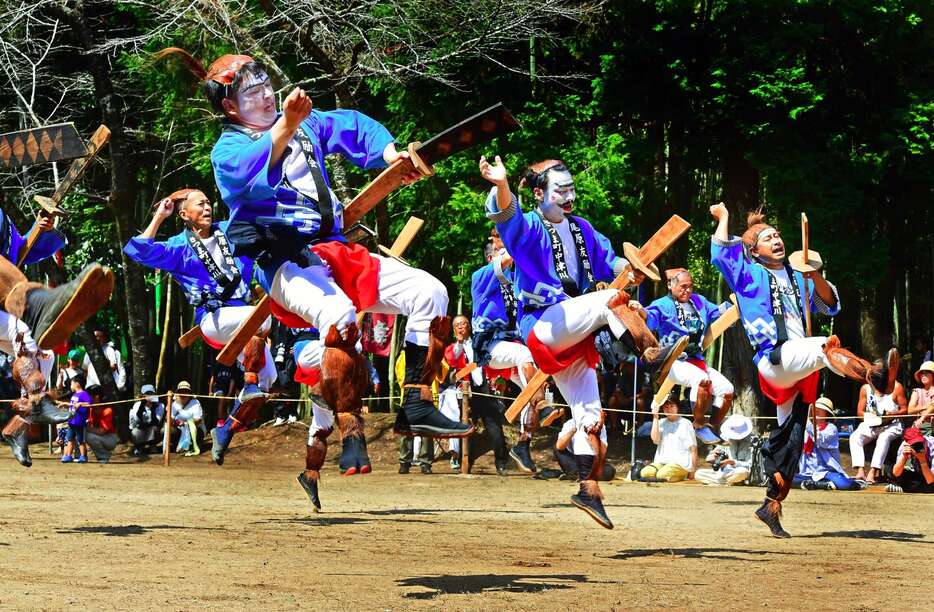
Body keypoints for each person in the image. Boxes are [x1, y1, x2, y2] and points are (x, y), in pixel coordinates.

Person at [157, 49, 471, 510]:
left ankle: (417, 402)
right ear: (230, 107)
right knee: (339, 315)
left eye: (267, 85)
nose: (265, 95)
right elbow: (248, 175)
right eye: (252, 92)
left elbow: (350, 126)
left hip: (337, 250)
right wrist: (284, 124)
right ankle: (351, 428)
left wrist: (392, 157)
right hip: (285, 262)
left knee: (432, 292)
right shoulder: (228, 149)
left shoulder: (306, 123)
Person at [480, 154, 686, 529]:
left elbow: (612, 267)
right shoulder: (527, 227)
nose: (569, 195)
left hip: (574, 332)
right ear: (540, 193)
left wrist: (630, 275)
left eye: (572, 189)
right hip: (542, 323)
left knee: (590, 416)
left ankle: (587, 488)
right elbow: (505, 216)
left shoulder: (584, 229)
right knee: (611, 302)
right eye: (561, 190)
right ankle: (650, 356)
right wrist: (502, 184)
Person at [709, 203, 895, 538]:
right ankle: (874, 375)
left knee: (791, 442)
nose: (776, 239)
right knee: (825, 346)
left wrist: (814, 274)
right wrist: (724, 219)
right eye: (767, 237)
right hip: (775, 359)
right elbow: (722, 253)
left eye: (777, 234)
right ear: (753, 251)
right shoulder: (748, 274)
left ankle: (771, 504)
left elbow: (830, 304)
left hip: (799, 367)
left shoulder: (798, 277)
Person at [123, 188, 273, 463]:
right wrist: (159, 216)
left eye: (208, 203)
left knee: (269, 381)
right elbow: (139, 251)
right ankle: (248, 381)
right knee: (263, 315)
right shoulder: (179, 247)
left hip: (245, 320)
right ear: (184, 215)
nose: (207, 208)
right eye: (199, 204)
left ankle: (225, 430)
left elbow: (262, 220)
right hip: (213, 320)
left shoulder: (229, 229)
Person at [470, 231, 553, 473]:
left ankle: (523, 444)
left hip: (512, 347)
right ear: (490, 259)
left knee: (536, 381)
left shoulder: (516, 284)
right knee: (526, 359)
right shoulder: (480, 278)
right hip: (489, 347)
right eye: (499, 253)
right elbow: (507, 259)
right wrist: (510, 239)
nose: (506, 257)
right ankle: (542, 404)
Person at [642, 268, 734, 444]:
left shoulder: (699, 301)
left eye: (690, 287)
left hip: (697, 360)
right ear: (670, 285)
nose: (688, 291)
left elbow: (718, 313)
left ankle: (711, 426)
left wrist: (737, 305)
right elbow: (649, 318)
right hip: (673, 362)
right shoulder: (662, 304)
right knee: (701, 380)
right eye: (683, 287)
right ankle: (698, 423)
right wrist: (640, 310)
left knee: (727, 389)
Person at [441, 315, 510, 475]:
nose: (460, 327)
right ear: (453, 329)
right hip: (466, 393)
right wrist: (459, 342)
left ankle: (501, 463)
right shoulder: (452, 348)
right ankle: (465, 462)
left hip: (484, 390)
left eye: (463, 324)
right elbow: (451, 360)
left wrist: (497, 378)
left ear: (469, 326)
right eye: (457, 325)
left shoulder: (480, 343)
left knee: (495, 428)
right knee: (466, 429)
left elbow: (493, 361)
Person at [793, 397, 859, 491]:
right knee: (787, 479)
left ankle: (816, 484)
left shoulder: (831, 429)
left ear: (826, 413)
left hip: (826, 472)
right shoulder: (806, 429)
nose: (816, 411)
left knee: (846, 484)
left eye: (820, 409)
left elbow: (820, 440)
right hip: (807, 473)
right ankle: (820, 485)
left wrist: (807, 424)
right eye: (815, 409)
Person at [849, 378, 908, 484]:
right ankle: (861, 471)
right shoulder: (865, 388)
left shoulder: (896, 387)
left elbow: (904, 409)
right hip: (871, 424)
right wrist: (870, 417)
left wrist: (891, 415)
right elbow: (859, 412)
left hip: (892, 424)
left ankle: (873, 471)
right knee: (855, 437)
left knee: (884, 438)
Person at [640, 397, 697, 482]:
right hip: (662, 463)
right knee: (645, 473)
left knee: (661, 475)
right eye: (666, 407)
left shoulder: (686, 424)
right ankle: (667, 478)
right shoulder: (661, 422)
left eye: (672, 406)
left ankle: (681, 476)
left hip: (681, 464)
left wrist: (692, 471)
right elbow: (655, 439)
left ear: (677, 407)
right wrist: (655, 418)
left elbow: (693, 450)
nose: (669, 409)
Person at [694, 414, 754, 486]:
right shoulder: (725, 437)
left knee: (742, 472)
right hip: (723, 473)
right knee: (698, 474)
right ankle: (728, 482)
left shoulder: (752, 442)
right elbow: (709, 458)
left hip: (739, 472)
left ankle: (720, 482)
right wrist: (714, 455)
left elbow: (750, 465)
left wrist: (733, 462)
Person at [553, 416, 615, 482]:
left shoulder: (600, 425)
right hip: (573, 459)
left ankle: (582, 475)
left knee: (609, 471)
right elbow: (559, 446)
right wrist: (573, 431)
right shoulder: (570, 423)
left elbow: (603, 450)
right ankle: (578, 474)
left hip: (591, 459)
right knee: (557, 448)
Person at [883, 427, 934, 493]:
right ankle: (907, 487)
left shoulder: (932, 445)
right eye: (914, 444)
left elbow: (930, 480)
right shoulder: (904, 446)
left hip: (930, 476)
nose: (917, 446)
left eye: (920, 443)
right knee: (888, 469)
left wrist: (922, 460)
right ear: (907, 443)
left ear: (923, 439)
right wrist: (904, 457)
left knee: (931, 486)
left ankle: (902, 487)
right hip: (918, 475)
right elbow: (896, 474)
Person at [83, 329, 127, 394]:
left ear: (104, 338)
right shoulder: (88, 352)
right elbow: (85, 369)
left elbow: (113, 366)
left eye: (100, 336)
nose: (98, 338)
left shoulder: (109, 350)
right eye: (95, 336)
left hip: (104, 387)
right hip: (90, 385)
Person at [62, 374, 91, 464]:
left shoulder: (84, 394)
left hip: (79, 422)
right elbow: (72, 406)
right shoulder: (74, 395)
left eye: (72, 384)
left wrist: (81, 404)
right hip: (71, 421)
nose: (71, 386)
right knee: (70, 439)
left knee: (80, 440)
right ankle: (68, 456)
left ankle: (83, 456)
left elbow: (89, 404)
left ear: (77, 384)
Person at [85, 385, 117, 463]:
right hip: (97, 434)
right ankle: (80, 456)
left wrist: (86, 428)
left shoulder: (107, 410)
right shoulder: (90, 408)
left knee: (88, 436)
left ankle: (104, 456)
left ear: (96, 396)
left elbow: (102, 431)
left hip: (109, 438)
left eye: (89, 396)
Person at [129, 384, 165, 456]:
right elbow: (137, 420)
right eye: (147, 394)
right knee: (135, 432)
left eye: (151, 394)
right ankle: (139, 446)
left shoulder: (160, 405)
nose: (149, 396)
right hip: (140, 428)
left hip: (152, 428)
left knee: (154, 428)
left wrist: (152, 408)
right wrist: (142, 405)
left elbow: (157, 421)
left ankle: (152, 446)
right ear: (142, 395)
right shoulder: (137, 405)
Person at [172, 381, 204, 456]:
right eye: (181, 391)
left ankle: (191, 446)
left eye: (185, 391)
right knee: (166, 431)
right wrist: (174, 421)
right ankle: (177, 446)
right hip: (178, 429)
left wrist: (186, 423)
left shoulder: (195, 402)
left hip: (194, 429)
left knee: (195, 431)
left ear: (189, 393)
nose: (183, 393)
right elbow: (170, 418)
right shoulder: (173, 403)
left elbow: (198, 420)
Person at [908, 361, 934, 435]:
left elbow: (933, 406)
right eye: (921, 373)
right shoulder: (917, 391)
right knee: (905, 446)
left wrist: (922, 418)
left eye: (927, 372)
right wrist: (925, 407)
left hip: (931, 427)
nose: (923, 375)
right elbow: (910, 410)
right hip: (917, 427)